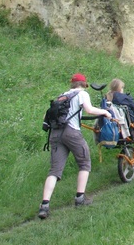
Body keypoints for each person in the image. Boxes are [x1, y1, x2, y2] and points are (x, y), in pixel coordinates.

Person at [38, 73, 111, 220]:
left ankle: (44, 206)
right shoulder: (82, 94)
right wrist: (104, 111)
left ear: (72, 84)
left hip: (55, 134)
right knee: (84, 163)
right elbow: (89, 110)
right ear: (84, 84)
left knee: (54, 170)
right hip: (71, 133)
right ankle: (80, 198)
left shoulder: (62, 95)